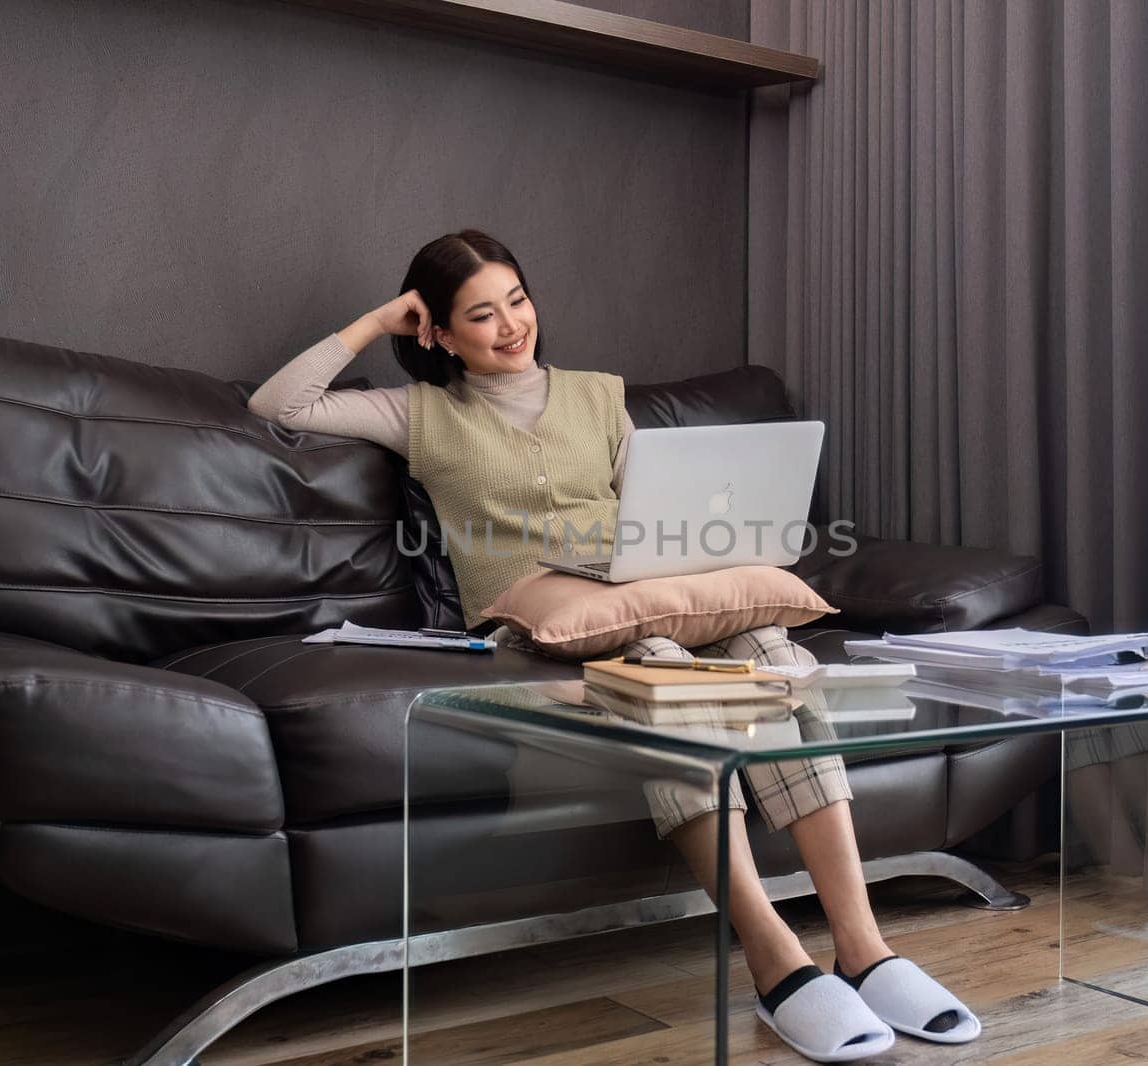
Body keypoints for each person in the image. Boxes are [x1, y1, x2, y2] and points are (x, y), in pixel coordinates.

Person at [248, 229, 980, 1060]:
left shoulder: (600, 397)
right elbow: (281, 405)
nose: (511, 325)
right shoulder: (419, 414)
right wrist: (379, 321)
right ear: (441, 333)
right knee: (666, 674)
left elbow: (656, 517)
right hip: (534, 627)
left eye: (518, 300)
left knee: (771, 651)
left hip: (638, 591)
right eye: (480, 315)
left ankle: (865, 951)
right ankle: (778, 965)